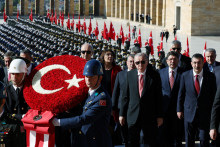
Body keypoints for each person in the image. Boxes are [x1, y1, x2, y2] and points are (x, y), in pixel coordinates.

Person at [53, 59, 112, 147]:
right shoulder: (86, 93)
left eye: (92, 77)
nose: (88, 80)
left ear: (100, 78)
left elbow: (84, 118)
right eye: (86, 76)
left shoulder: (102, 98)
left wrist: (58, 122)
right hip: (83, 139)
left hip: (96, 142)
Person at [119, 53, 163, 147]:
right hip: (133, 114)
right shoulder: (129, 75)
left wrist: (159, 116)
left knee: (151, 142)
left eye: (143, 62)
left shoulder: (154, 75)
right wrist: (122, 114)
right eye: (137, 62)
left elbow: (158, 97)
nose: (140, 65)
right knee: (132, 142)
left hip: (149, 115)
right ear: (134, 63)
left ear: (147, 62)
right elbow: (125, 96)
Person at [177, 53, 216, 147]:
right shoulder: (185, 75)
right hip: (189, 112)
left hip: (204, 114)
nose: (196, 65)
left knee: (204, 140)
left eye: (199, 63)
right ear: (191, 63)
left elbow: (213, 95)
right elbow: (181, 94)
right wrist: (179, 109)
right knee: (189, 140)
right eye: (194, 63)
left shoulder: (210, 77)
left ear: (203, 63)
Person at [158, 51, 183, 147]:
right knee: (164, 136)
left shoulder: (184, 73)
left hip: (178, 110)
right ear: (167, 61)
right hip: (164, 110)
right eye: (170, 59)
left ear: (178, 60)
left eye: (175, 59)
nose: (173, 61)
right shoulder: (160, 72)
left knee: (177, 136)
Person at [5, 58, 30, 147]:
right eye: (12, 74)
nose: (14, 77)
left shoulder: (30, 91)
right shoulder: (5, 91)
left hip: (28, 133)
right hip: (11, 133)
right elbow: (4, 115)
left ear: (24, 74)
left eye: (18, 74)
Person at [112, 55, 136, 147]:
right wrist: (113, 107)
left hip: (135, 108)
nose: (132, 63)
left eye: (134, 61)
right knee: (124, 131)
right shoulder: (120, 74)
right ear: (126, 63)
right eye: (130, 61)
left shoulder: (140, 75)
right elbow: (116, 91)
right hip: (122, 108)